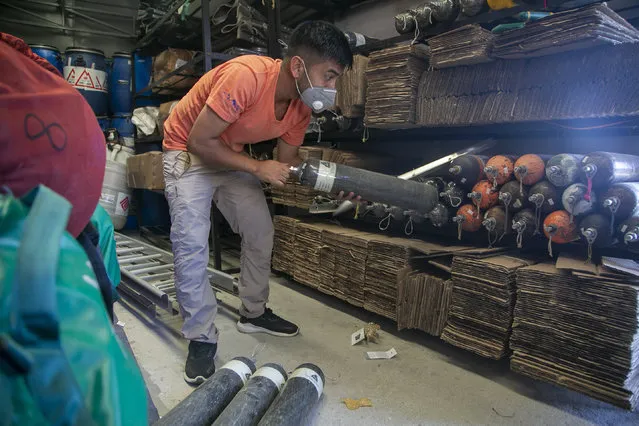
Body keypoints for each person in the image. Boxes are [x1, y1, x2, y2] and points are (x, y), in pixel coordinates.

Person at [162, 21, 353, 384]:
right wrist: (257, 167)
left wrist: (337, 184)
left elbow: (287, 163)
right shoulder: (245, 76)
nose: (331, 88)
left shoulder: (300, 108)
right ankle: (200, 337)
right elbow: (201, 141)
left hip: (228, 151)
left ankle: (253, 312)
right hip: (187, 150)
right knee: (190, 244)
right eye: (328, 76)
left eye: (335, 79)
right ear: (298, 67)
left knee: (260, 230)